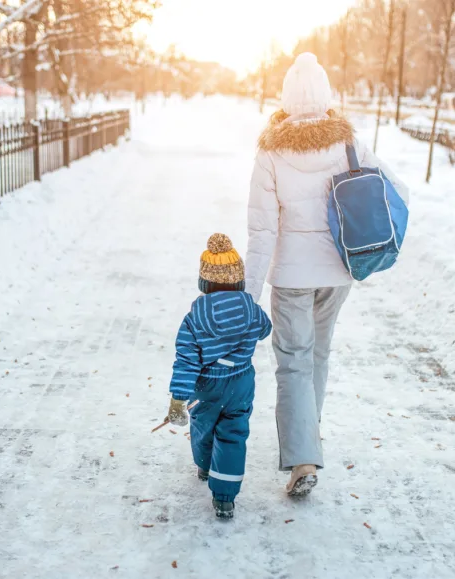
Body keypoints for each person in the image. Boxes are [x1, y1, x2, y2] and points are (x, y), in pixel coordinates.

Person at [245, 53, 410, 497]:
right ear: (325, 95)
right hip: (339, 271)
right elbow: (398, 190)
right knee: (317, 355)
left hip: (292, 276)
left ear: (286, 97)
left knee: (293, 361)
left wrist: (249, 292)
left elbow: (262, 229)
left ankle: (302, 458)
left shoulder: (270, 150)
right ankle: (307, 440)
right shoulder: (349, 143)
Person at [165, 233, 273, 519]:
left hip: (207, 385)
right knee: (234, 433)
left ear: (204, 282)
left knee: (203, 426)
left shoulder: (194, 318)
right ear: (239, 279)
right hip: (241, 381)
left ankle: (204, 466)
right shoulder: (251, 308)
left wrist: (178, 398)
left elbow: (186, 361)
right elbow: (265, 329)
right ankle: (225, 498)